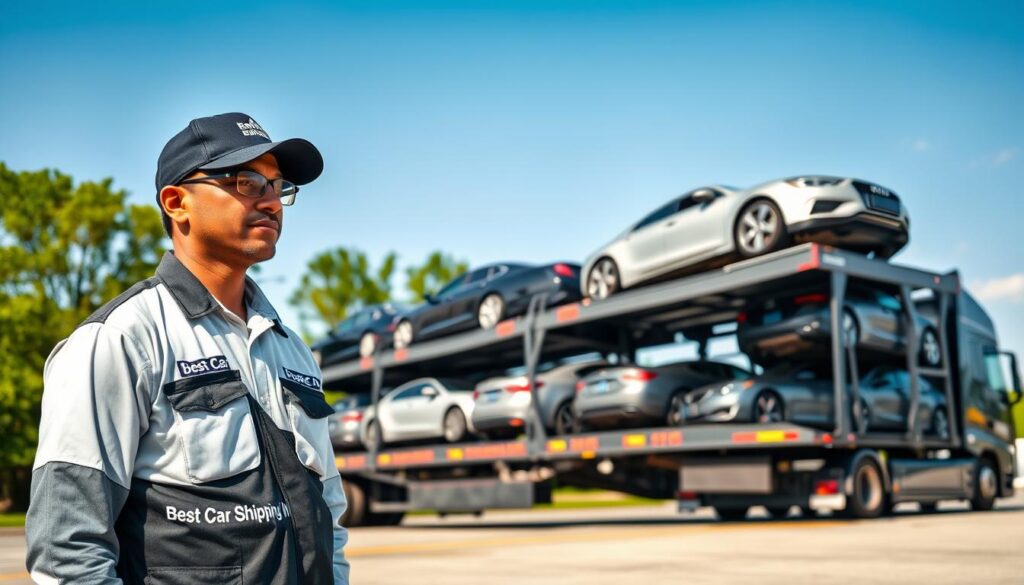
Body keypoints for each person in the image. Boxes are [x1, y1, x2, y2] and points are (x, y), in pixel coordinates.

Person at [25, 112, 349, 584]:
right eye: (248, 182)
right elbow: (68, 550)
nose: (273, 202)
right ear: (177, 202)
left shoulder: (293, 350)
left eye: (279, 188)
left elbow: (329, 515)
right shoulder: (119, 340)